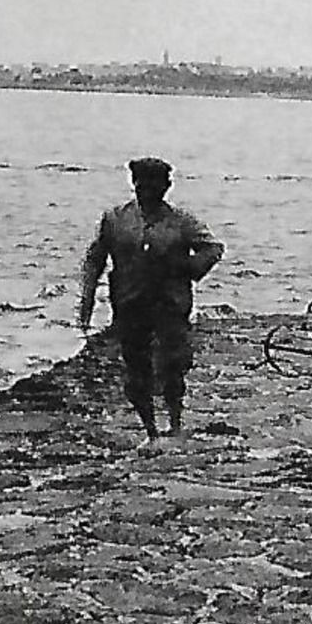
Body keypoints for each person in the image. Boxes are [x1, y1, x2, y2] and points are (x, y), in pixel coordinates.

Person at [77, 157, 224, 445]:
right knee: (136, 369)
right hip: (130, 302)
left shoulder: (180, 222)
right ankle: (150, 431)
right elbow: (94, 260)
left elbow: (213, 247)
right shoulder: (116, 219)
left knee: (172, 365)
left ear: (167, 186)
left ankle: (175, 423)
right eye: (143, 183)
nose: (149, 190)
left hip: (170, 304)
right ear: (134, 184)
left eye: (156, 184)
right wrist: (87, 303)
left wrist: (188, 268)